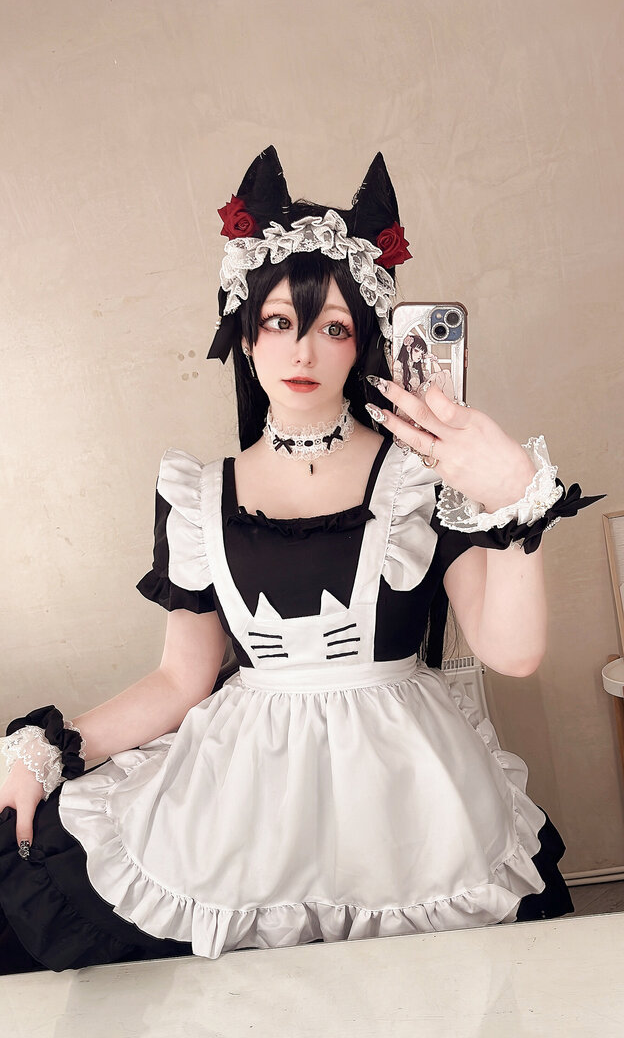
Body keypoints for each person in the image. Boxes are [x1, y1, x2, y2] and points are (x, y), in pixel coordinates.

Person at [0, 147, 601, 974]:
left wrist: (516, 503)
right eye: (281, 321)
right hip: (247, 795)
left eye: (334, 327)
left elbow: (514, 652)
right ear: (245, 334)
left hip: (410, 795)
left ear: (365, 344)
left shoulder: (423, 476)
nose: (304, 351)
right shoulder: (198, 495)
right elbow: (180, 679)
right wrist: (46, 750)